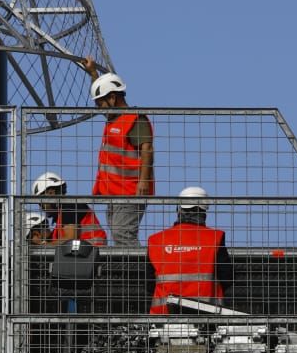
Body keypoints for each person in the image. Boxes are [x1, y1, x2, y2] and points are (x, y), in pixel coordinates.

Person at [80, 62, 156, 246]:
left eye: (100, 103)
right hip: (115, 192)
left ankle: (136, 273)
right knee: (118, 233)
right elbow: (102, 89)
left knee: (123, 234)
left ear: (112, 98)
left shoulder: (134, 119)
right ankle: (131, 271)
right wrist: (93, 73)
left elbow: (147, 149)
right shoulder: (115, 120)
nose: (99, 108)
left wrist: (144, 181)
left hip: (131, 191)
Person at [145, 187, 234, 315]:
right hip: (206, 315)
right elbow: (227, 277)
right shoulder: (214, 238)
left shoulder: (156, 240)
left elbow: (149, 284)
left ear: (178, 210)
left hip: (164, 316)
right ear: (203, 213)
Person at [29, 171, 108, 246]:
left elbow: (69, 239)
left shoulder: (70, 206)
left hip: (91, 252)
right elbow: (54, 241)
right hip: (87, 254)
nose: (42, 207)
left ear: (51, 193)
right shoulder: (60, 221)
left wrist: (45, 247)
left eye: (42, 202)